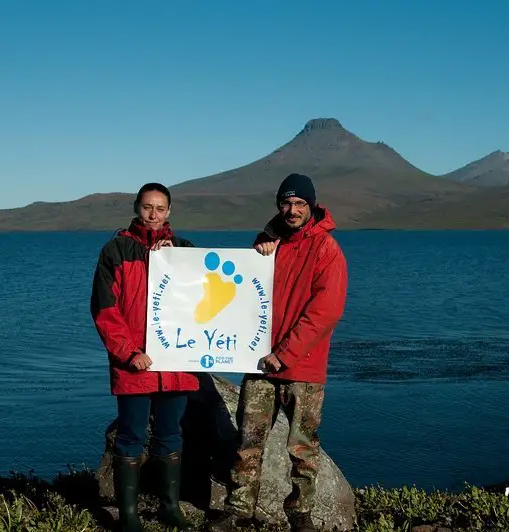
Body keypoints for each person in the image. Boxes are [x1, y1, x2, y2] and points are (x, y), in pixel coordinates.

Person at [209, 173, 348, 532]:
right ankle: (239, 510)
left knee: (302, 450)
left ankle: (299, 515)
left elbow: (326, 311)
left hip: (303, 367)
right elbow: (245, 291)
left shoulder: (327, 250)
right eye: (286, 203)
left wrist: (284, 354)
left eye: (300, 203)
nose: (292, 210)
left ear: (312, 206)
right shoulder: (267, 245)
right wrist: (261, 248)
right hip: (258, 363)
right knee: (248, 441)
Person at [90, 183, 198, 532]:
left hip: (176, 363)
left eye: (160, 208)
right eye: (147, 207)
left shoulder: (184, 249)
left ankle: (169, 508)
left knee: (171, 435)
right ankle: (130, 517)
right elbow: (105, 309)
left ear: (170, 211)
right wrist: (127, 352)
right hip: (136, 363)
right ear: (137, 207)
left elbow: (206, 300)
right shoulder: (116, 250)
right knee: (131, 436)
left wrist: (176, 265)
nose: (153, 215)